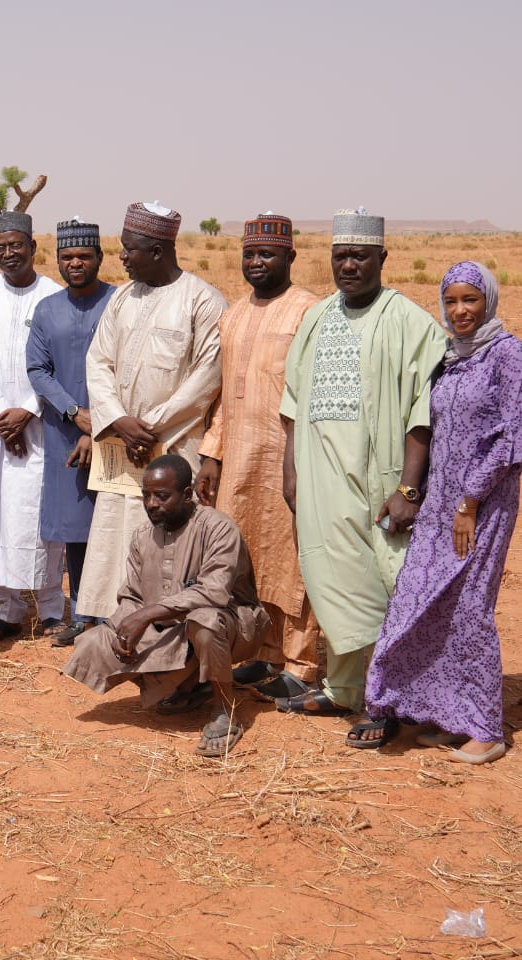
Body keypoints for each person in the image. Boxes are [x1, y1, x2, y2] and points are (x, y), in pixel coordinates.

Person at [351, 262, 522, 763]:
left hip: (483, 504)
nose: (460, 311)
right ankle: (448, 713)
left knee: (470, 608)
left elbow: (509, 441)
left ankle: (486, 730)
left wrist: (470, 503)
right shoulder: (451, 359)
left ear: (489, 301)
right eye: (451, 301)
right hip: (439, 503)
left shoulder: (509, 355)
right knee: (424, 601)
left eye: (470, 300)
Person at [276, 209, 447, 715]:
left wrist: (409, 489)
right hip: (322, 481)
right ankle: (345, 690)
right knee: (336, 585)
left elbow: (423, 412)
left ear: (382, 258)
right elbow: (292, 400)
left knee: (388, 587)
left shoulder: (410, 322)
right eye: (340, 256)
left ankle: (398, 697)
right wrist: (291, 471)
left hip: (382, 482)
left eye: (359, 256)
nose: (348, 266)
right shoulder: (316, 318)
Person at [194, 214, 323, 700]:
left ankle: (300, 660)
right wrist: (212, 455)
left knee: (292, 561)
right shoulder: (232, 314)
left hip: (289, 459)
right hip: (239, 458)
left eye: (267, 254)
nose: (256, 262)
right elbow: (224, 394)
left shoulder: (309, 312)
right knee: (244, 557)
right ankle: (263, 652)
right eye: (249, 254)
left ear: (290, 257)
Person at [76, 202, 224, 622]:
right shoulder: (122, 297)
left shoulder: (204, 301)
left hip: (175, 446)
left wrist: (151, 429)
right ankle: (116, 621)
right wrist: (120, 422)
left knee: (171, 541)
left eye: (129, 249)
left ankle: (167, 627)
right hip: (123, 443)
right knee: (117, 534)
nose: (121, 257)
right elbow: (98, 361)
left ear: (158, 251)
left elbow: (206, 378)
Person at [62, 456, 269, 757]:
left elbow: (214, 592)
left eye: (161, 495)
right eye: (146, 495)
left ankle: (225, 711)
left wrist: (146, 616)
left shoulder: (219, 528)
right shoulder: (142, 537)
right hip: (170, 627)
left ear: (187, 495)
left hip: (234, 625)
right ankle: (188, 688)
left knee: (205, 622)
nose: (151, 503)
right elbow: (132, 597)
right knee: (96, 642)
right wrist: (124, 630)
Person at [0, 211, 65, 640]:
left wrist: (28, 410)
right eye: (0, 247)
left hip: (43, 427)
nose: (8, 254)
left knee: (38, 514)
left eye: (16, 246)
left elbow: (59, 365)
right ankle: (8, 609)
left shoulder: (53, 295)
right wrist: (3, 419)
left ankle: (51, 609)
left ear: (32, 247)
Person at [25, 219, 115, 646]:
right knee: (76, 527)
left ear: (99, 257)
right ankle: (81, 612)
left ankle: (117, 613)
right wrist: (73, 411)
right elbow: (37, 370)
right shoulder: (47, 310)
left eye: (83, 256)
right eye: (67, 257)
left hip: (117, 429)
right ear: (58, 260)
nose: (75, 263)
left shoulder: (119, 303)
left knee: (116, 522)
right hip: (64, 431)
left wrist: (100, 422)